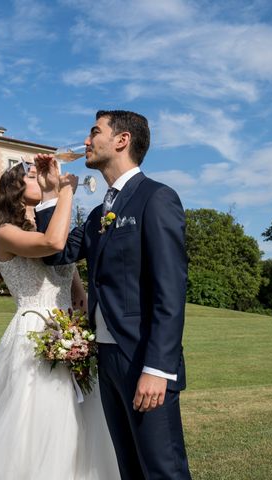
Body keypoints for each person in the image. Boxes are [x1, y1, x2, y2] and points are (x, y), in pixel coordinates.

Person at [35, 110, 192, 479]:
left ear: (121, 140)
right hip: (107, 358)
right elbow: (57, 253)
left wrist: (158, 369)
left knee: (163, 470)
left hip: (144, 359)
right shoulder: (98, 213)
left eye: (94, 132)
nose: (86, 142)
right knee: (129, 468)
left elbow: (170, 290)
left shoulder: (156, 198)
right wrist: (47, 195)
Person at [0, 160, 120, 480]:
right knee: (40, 416)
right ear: (16, 189)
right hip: (34, 331)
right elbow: (53, 244)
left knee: (80, 416)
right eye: (34, 176)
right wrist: (64, 191)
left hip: (69, 331)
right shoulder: (5, 233)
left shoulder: (50, 224)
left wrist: (81, 301)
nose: (44, 179)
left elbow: (63, 266)